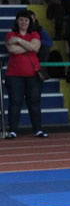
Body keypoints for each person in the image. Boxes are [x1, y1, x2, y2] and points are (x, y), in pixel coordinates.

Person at [4, 10, 47, 138]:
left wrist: (18, 40)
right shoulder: (10, 34)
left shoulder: (34, 34)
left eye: (26, 20)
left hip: (33, 75)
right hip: (14, 75)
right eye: (21, 20)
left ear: (30, 22)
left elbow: (36, 48)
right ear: (17, 21)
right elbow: (12, 49)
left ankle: (38, 129)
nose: (23, 22)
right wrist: (28, 46)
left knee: (34, 103)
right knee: (15, 102)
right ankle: (13, 130)